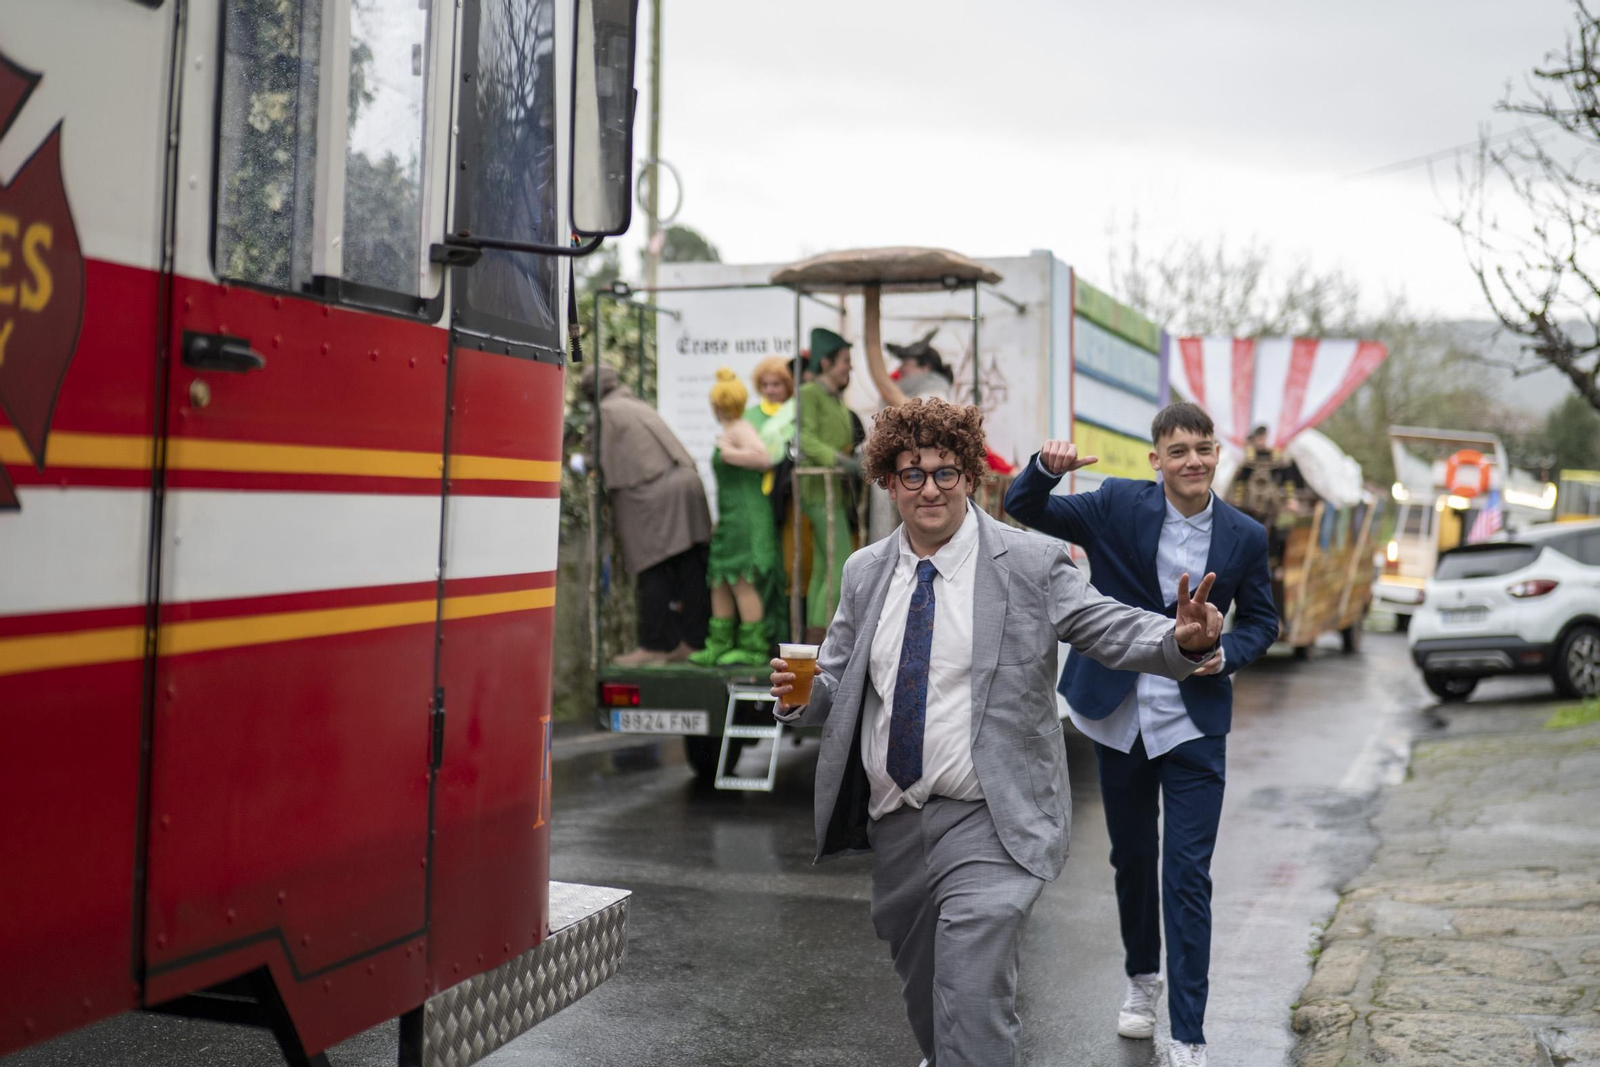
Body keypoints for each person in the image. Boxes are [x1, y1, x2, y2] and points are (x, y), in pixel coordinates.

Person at [768, 398, 1225, 1067]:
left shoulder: (1031, 564)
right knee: (929, 994)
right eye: (913, 473)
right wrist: (801, 696)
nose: (930, 488)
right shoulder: (865, 572)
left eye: (947, 472)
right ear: (888, 482)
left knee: (975, 993)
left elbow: (1105, 625)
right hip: (897, 819)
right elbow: (836, 684)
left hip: (993, 817)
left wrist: (1176, 639)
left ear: (972, 478)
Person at [1003, 402, 1278, 1067]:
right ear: (1156, 460)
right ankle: (1141, 980)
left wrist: (1224, 653)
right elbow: (1023, 506)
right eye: (1178, 450)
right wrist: (1045, 468)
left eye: (1204, 449)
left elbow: (1263, 622)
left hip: (1195, 722)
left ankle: (1188, 1032)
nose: (1193, 461)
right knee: (1132, 860)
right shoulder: (1117, 505)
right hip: (1118, 712)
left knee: (1188, 874)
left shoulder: (1245, 535)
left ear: (1219, 455)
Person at [582, 364, 713, 666]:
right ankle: (693, 641)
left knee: (651, 566)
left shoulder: (603, 413)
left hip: (652, 494)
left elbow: (592, 460)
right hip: (685, 482)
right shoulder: (636, 405)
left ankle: (655, 644)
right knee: (689, 567)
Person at [689, 369, 784, 667]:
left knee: (741, 579)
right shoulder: (734, 427)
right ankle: (718, 643)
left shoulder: (740, 429)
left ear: (718, 405)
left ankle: (753, 647)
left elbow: (764, 458)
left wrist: (730, 454)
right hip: (731, 516)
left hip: (745, 515)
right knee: (719, 578)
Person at [797, 327, 860, 644]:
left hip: (836, 492)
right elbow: (804, 438)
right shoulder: (809, 394)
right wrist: (840, 461)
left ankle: (814, 640)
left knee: (824, 566)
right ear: (825, 363)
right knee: (841, 563)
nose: (849, 366)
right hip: (819, 491)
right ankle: (828, 639)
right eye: (844, 360)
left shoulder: (836, 400)